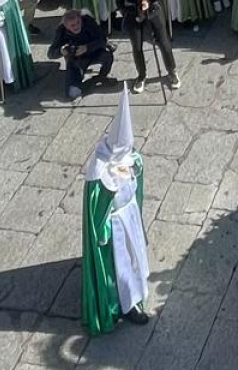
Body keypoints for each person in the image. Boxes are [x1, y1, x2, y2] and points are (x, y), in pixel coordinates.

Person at [80, 87, 150, 334]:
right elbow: (96, 208)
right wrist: (103, 229)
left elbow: (135, 171)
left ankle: (137, 292)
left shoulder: (129, 157)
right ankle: (127, 305)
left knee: (135, 259)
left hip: (129, 217)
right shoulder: (99, 172)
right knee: (121, 267)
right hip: (115, 227)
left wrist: (134, 166)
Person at [117, 0, 179, 93]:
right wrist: (133, 9)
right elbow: (119, 1)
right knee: (137, 47)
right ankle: (141, 76)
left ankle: (172, 71)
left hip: (154, 11)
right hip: (134, 15)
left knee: (164, 44)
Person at [48, 9, 116, 101]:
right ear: (66, 26)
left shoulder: (88, 22)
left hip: (94, 52)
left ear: (81, 19)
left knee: (108, 56)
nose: (76, 26)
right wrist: (61, 51)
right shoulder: (61, 31)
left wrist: (87, 47)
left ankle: (101, 77)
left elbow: (103, 40)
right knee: (73, 93)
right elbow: (51, 54)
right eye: (72, 25)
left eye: (78, 22)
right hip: (77, 60)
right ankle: (78, 80)